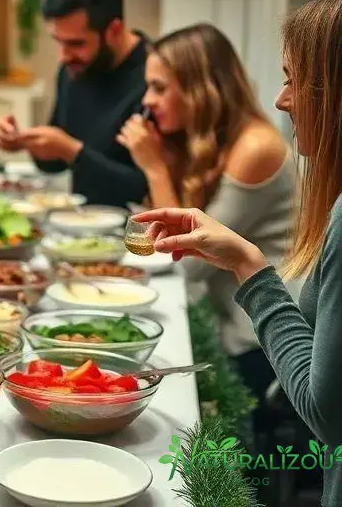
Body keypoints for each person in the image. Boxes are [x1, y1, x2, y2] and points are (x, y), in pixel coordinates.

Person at [134, 0, 342, 505]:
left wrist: (248, 266)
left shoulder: (276, 159)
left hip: (254, 354)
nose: (281, 99)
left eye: (294, 80)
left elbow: (327, 413)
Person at [115, 24, 293, 415]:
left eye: (160, 88)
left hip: (263, 342)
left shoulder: (255, 147)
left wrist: (156, 170)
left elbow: (189, 266)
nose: (148, 100)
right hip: (228, 318)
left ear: (201, 88)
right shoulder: (216, 140)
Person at [0, 0, 149, 207]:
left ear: (114, 30)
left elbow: (145, 188)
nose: (64, 56)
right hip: (81, 224)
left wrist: (72, 151)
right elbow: (55, 163)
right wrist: (27, 143)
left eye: (76, 43)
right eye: (59, 42)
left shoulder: (154, 79)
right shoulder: (73, 71)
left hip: (137, 232)